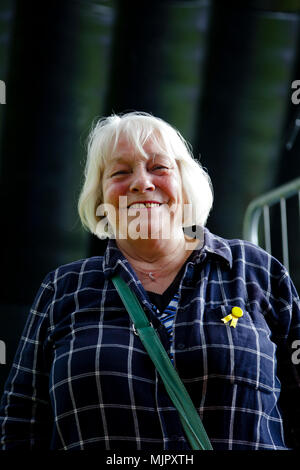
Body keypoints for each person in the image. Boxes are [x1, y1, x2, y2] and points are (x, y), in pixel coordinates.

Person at [0, 111, 299, 451]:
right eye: (120, 172)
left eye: (159, 168)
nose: (142, 182)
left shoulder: (255, 271)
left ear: (185, 185)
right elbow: (20, 423)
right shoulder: (63, 289)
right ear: (101, 198)